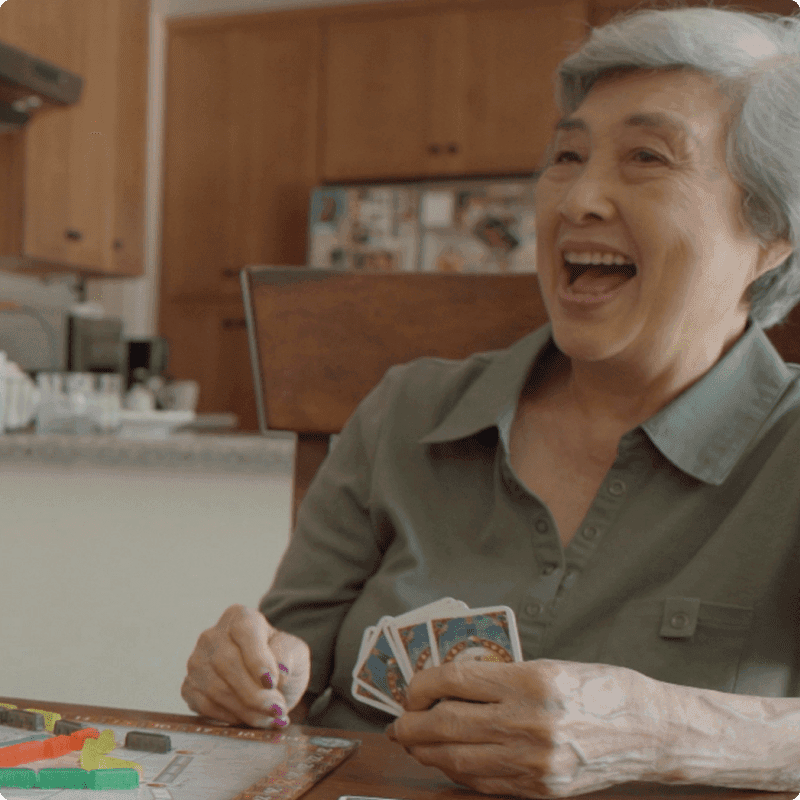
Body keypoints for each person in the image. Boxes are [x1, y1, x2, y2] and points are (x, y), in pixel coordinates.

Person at [182, 3, 800, 796]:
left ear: (773, 234)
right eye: (567, 156)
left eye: (648, 156)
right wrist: (251, 676)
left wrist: (664, 730)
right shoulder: (407, 410)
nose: (578, 199)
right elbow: (285, 674)